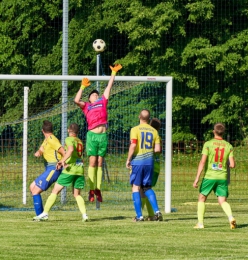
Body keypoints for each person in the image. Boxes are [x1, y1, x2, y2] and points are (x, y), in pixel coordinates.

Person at [74, 63, 122, 203]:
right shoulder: (87, 106)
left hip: (103, 136)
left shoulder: (102, 101)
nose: (95, 95)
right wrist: (82, 87)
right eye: (93, 94)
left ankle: (98, 189)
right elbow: (76, 100)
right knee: (92, 162)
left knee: (100, 162)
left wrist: (113, 73)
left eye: (96, 94)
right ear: (89, 99)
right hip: (92, 136)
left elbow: (109, 87)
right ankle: (91, 189)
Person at [33, 123, 88, 222]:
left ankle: (44, 213)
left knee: (55, 191)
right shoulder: (80, 141)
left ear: (68, 130)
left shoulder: (68, 139)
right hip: (80, 170)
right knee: (77, 194)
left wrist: (62, 161)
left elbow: (70, 150)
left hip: (70, 170)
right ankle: (84, 215)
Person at [193, 123, 236, 229]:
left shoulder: (208, 144)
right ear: (223, 132)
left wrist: (197, 178)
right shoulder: (229, 146)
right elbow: (232, 165)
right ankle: (231, 218)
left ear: (214, 131)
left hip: (209, 176)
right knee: (222, 201)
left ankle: (200, 223)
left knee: (202, 198)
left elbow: (202, 162)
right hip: (222, 177)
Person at [126, 109, 163, 222]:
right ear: (149, 119)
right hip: (150, 162)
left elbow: (133, 145)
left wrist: (128, 159)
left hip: (138, 161)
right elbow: (157, 149)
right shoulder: (154, 131)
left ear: (139, 117)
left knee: (136, 187)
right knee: (147, 187)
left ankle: (139, 216)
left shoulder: (135, 129)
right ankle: (157, 212)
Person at [30, 120, 65, 216]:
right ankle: (41, 215)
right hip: (50, 168)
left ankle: (40, 215)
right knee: (32, 186)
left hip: (54, 168)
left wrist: (62, 162)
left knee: (35, 190)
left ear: (42, 131)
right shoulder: (47, 139)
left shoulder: (52, 139)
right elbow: (42, 149)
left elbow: (63, 150)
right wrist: (39, 153)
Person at [141, 118, 162, 220]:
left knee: (142, 189)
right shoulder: (157, 136)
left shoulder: (151, 135)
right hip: (156, 167)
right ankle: (151, 215)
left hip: (148, 165)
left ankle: (139, 215)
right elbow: (159, 150)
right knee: (147, 189)